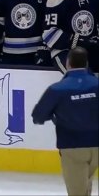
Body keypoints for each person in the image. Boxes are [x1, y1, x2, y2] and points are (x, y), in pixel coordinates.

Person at [32, 47, 98, 196]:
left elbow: (38, 116)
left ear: (68, 63)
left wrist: (54, 116)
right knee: (86, 184)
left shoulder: (57, 89)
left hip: (73, 146)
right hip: (97, 145)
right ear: (86, 63)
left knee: (77, 192)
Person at [43, 0, 99, 73]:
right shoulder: (56, 0)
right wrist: (79, 41)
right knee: (80, 75)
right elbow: (49, 34)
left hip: (92, 49)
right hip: (65, 51)